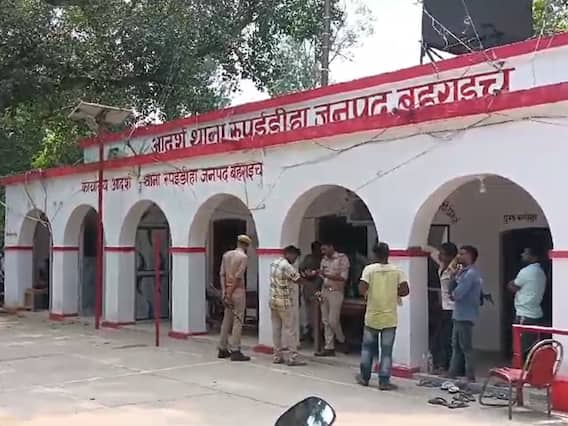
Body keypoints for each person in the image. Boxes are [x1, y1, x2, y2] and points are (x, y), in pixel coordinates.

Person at [356, 242, 410, 391]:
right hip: (389, 317)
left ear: (374, 254)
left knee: (367, 349)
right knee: (386, 351)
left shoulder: (369, 270)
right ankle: (384, 382)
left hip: (372, 315)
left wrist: (370, 294)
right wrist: (392, 292)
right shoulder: (397, 270)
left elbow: (361, 289)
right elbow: (405, 291)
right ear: (388, 254)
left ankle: (364, 378)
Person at [448, 245, 482, 383]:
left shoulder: (470, 274)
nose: (458, 257)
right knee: (456, 346)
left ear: (470, 256)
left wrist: (452, 282)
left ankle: (470, 375)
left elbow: (457, 294)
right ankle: (452, 372)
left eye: (462, 254)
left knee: (465, 347)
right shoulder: (463, 272)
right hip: (459, 313)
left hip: (465, 314)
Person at [424, 242, 459, 374]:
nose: (439, 255)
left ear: (450, 256)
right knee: (440, 338)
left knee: (447, 339)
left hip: (452, 308)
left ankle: (447, 367)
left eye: (442, 254)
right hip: (444, 307)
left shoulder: (456, 269)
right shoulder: (442, 267)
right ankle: (441, 365)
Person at [269, 245, 306, 366]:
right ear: (290, 254)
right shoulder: (287, 266)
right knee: (290, 330)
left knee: (276, 330)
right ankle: (293, 357)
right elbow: (298, 279)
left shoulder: (274, 263)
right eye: (295, 257)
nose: (295, 260)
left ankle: (277, 356)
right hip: (284, 302)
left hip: (273, 301)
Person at [507, 245, 547, 357]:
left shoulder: (527, 271)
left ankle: (520, 367)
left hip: (524, 314)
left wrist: (511, 284)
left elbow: (512, 286)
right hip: (535, 313)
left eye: (525, 253)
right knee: (532, 347)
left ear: (533, 257)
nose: (522, 255)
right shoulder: (540, 271)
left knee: (520, 348)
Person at [218, 234, 252, 362]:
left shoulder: (226, 255)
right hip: (237, 291)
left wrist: (224, 292)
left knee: (226, 320)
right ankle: (235, 349)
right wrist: (230, 293)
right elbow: (238, 277)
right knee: (238, 320)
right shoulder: (243, 257)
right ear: (246, 245)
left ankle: (222, 347)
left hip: (227, 289)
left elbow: (222, 274)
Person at [315, 241, 350, 357]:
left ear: (331, 247)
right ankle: (329, 347)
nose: (323, 252)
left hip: (336, 291)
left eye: (325, 249)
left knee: (333, 320)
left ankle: (342, 340)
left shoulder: (342, 258)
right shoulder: (324, 260)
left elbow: (343, 278)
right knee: (325, 320)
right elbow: (321, 276)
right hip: (324, 290)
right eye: (322, 250)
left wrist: (326, 275)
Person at [299, 241, 322, 342]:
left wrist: (316, 272)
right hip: (308, 288)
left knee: (317, 313)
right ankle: (308, 331)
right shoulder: (308, 258)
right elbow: (301, 270)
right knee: (308, 312)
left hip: (318, 288)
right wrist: (305, 274)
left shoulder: (323, 259)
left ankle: (315, 334)